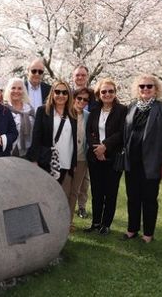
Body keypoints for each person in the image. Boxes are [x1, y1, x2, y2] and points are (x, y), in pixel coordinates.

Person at [122, 74, 162, 243]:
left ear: (156, 89)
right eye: (142, 86)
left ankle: (148, 234)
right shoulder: (131, 107)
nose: (145, 89)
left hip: (152, 162)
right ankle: (132, 229)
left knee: (149, 198)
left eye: (149, 86)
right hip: (132, 161)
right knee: (133, 197)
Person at [84, 78, 127, 236]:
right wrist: (97, 149)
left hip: (113, 157)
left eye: (110, 91)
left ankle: (106, 224)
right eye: (104, 91)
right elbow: (89, 131)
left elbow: (122, 133)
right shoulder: (94, 110)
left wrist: (105, 146)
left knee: (110, 192)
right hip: (95, 157)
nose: (107, 94)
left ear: (115, 93)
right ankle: (95, 222)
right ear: (98, 94)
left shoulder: (123, 110)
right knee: (96, 192)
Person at [28, 80, 77, 189]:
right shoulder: (42, 111)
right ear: (52, 93)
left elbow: (73, 140)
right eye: (57, 92)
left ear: (69, 95)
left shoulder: (72, 113)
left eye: (64, 93)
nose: (61, 95)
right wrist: (34, 160)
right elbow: (36, 137)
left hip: (65, 160)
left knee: (57, 191)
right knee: (44, 191)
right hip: (47, 160)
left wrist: (74, 162)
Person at [61, 87, 90, 232]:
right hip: (66, 158)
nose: (82, 101)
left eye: (85, 100)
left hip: (82, 159)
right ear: (74, 98)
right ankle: (60, 220)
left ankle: (69, 222)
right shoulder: (66, 114)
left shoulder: (88, 116)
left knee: (74, 191)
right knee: (64, 190)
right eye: (79, 98)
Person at [72, 65, 97, 219]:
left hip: (86, 146)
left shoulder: (93, 95)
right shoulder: (68, 94)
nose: (80, 77)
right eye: (77, 75)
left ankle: (81, 206)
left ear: (87, 77)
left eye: (83, 75)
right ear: (73, 77)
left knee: (84, 180)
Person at [3, 77, 35, 157]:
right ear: (8, 90)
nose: (16, 91)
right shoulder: (2, 109)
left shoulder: (30, 109)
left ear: (23, 91)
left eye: (20, 88)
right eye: (13, 88)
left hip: (28, 153)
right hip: (7, 153)